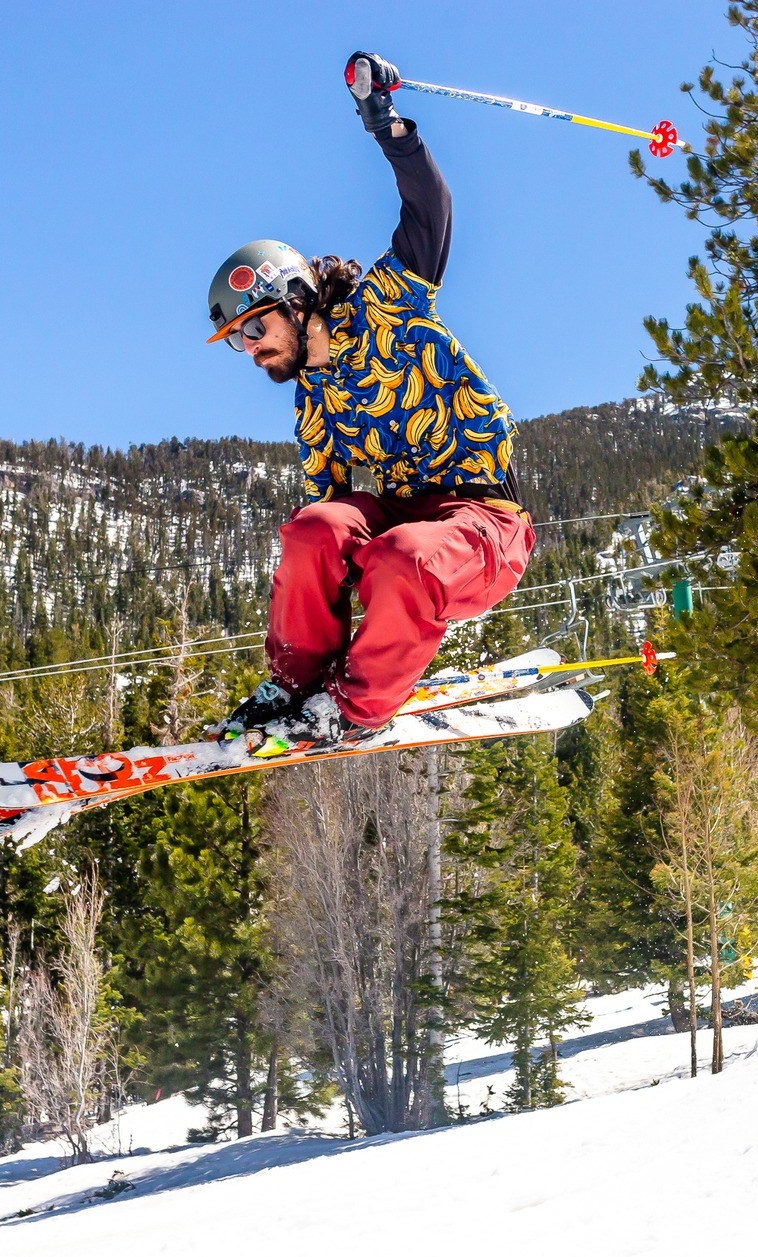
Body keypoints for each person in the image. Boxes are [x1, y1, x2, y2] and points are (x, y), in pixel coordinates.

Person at [205, 51, 532, 751]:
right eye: (239, 342)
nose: (253, 349)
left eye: (254, 327)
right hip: (409, 518)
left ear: (294, 300)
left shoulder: (386, 302)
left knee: (402, 556)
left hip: (486, 527)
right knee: (311, 528)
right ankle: (294, 684)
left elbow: (430, 209)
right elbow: (325, 545)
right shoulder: (315, 403)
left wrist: (387, 125)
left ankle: (356, 705)